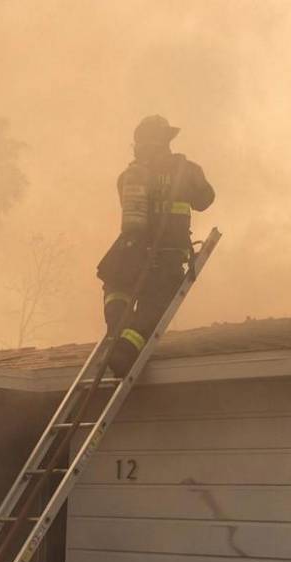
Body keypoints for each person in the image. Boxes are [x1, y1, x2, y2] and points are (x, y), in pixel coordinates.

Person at [98, 114, 215, 377]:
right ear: (167, 140)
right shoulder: (186, 169)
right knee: (155, 306)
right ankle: (125, 350)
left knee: (115, 284)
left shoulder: (129, 176)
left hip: (132, 249)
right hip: (168, 253)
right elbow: (206, 199)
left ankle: (115, 335)